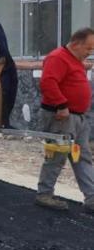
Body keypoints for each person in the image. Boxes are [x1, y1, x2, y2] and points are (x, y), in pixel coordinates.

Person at [36, 27, 94, 212]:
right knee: (56, 156)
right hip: (62, 117)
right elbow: (48, 82)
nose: (90, 52)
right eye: (88, 48)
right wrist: (61, 105)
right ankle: (44, 194)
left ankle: (92, 197)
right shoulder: (58, 58)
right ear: (76, 44)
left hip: (78, 117)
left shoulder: (75, 60)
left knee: (82, 157)